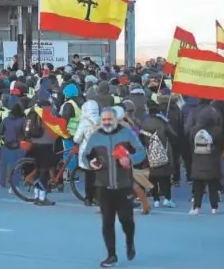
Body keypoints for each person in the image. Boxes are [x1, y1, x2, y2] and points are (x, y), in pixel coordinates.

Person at [81, 108, 146, 268]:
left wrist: (129, 159)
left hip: (124, 186)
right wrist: (90, 163)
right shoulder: (95, 137)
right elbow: (85, 156)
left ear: (115, 120)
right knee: (107, 222)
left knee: (126, 221)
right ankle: (111, 255)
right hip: (103, 187)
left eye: (109, 120)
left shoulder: (126, 134)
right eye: (104, 120)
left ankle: (129, 242)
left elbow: (142, 153)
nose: (107, 123)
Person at [140, 100, 178, 208]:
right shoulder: (162, 122)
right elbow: (174, 135)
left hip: (149, 153)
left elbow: (140, 138)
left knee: (153, 177)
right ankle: (167, 198)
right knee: (165, 177)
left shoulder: (145, 123)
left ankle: (156, 199)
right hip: (164, 152)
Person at [74, 100, 100, 206]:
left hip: (88, 152)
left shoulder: (84, 122)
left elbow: (77, 139)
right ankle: (98, 198)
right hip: (100, 151)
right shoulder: (101, 120)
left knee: (89, 176)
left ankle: (88, 198)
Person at [190, 128, 221, 215]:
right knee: (212, 186)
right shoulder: (216, 131)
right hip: (211, 163)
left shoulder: (194, 131)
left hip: (197, 162)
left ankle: (196, 207)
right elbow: (220, 145)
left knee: (197, 187)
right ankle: (214, 207)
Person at [0, 102, 26, 192]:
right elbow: (26, 133)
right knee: (17, 166)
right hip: (19, 146)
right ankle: (15, 185)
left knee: (3, 164)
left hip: (6, 145)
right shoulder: (23, 120)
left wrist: (4, 138)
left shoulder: (6, 120)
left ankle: (2, 182)